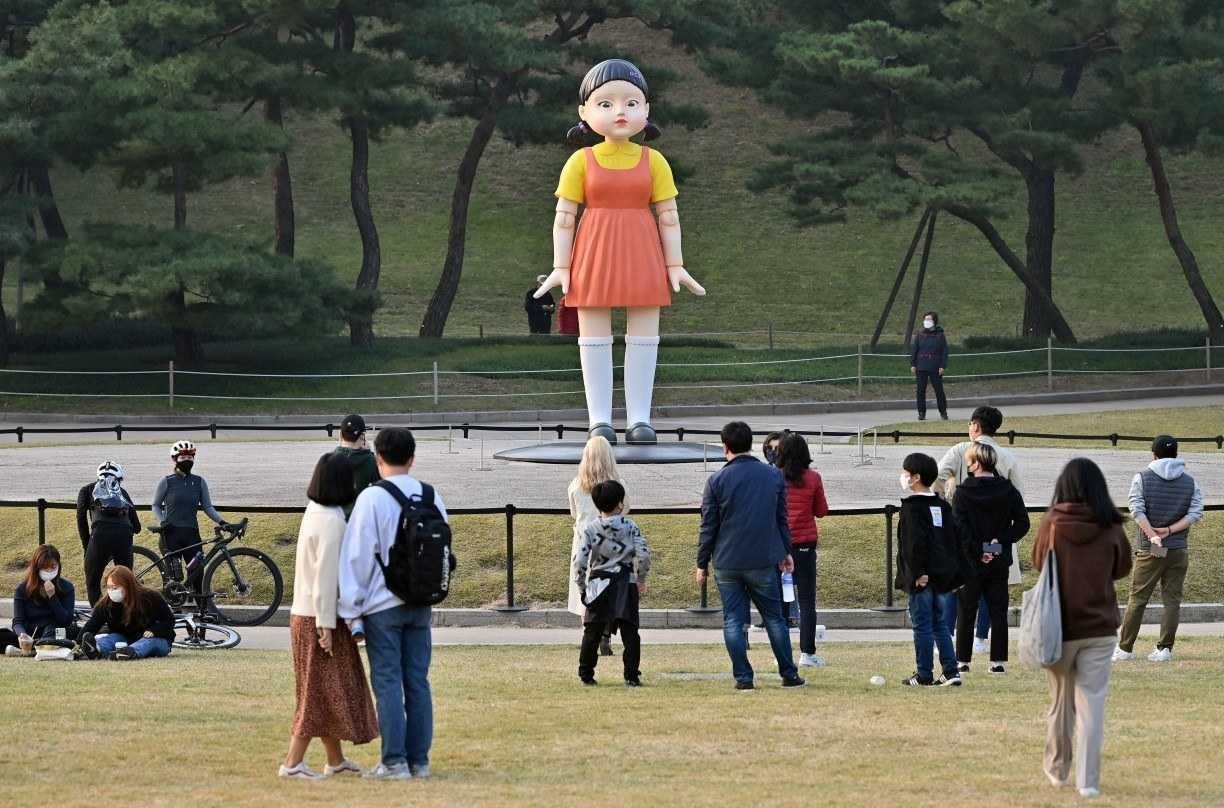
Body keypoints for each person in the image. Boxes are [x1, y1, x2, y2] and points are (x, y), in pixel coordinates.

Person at [535, 58, 706, 446]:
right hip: (593, 249)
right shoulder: (580, 161)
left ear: (646, 109)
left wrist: (675, 263)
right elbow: (564, 217)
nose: (621, 112)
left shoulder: (655, 161)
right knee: (593, 333)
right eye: (606, 103)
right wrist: (562, 266)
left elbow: (669, 216)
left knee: (645, 334)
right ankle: (599, 420)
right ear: (584, 112)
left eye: (631, 103)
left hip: (642, 251)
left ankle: (639, 418)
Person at [339, 427, 445, 781]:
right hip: (421, 600)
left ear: (378, 459)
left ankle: (394, 761)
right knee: (418, 680)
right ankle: (420, 761)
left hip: (381, 605)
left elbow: (357, 557)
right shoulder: (432, 495)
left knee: (387, 682)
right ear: (412, 458)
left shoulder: (372, 498)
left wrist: (350, 609)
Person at [1031, 458, 1133, 798]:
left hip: (1059, 627)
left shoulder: (1053, 524)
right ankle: (1087, 782)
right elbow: (1123, 567)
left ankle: (1057, 769)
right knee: (1092, 706)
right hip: (1101, 627)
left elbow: (1036, 561)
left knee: (1061, 703)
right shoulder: (1111, 525)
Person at [280, 453, 379, 780]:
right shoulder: (334, 521)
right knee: (316, 692)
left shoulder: (315, 511)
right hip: (319, 616)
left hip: (303, 613)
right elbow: (325, 578)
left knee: (323, 688)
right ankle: (292, 764)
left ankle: (335, 760)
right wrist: (325, 624)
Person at [696, 421, 805, 690]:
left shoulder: (716, 480)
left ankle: (744, 677)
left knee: (733, 620)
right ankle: (789, 674)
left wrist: (702, 563)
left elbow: (708, 525)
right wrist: (785, 551)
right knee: (774, 618)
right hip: (763, 558)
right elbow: (781, 519)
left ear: (725, 447)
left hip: (727, 560)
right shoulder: (772, 476)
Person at [937, 405, 1025, 647]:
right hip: (997, 537)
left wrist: (948, 491)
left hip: (966, 537)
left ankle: (950, 635)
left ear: (975, 426)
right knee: (994, 583)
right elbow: (1019, 499)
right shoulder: (1008, 457)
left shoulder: (961, 450)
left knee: (958, 585)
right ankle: (981, 637)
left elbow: (936, 477)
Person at [1114, 435, 1204, 663]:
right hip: (1178, 548)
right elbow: (1195, 513)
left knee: (1138, 598)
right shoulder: (1190, 482)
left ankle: (1125, 649)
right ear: (1176, 454)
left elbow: (1136, 509)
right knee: (1172, 600)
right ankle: (1165, 649)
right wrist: (1170, 530)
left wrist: (1153, 534)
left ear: (1153, 454)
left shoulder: (1142, 478)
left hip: (1151, 549)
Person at [952, 442, 1029, 674]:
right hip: (998, 556)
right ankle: (998, 662)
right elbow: (1023, 523)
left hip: (970, 559)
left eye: (969, 462)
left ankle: (962, 661)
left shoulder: (963, 493)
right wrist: (998, 542)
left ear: (975, 463)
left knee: (966, 610)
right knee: (998, 610)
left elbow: (960, 528)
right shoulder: (1008, 490)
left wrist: (978, 550)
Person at [573, 480, 651, 687]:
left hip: (598, 582)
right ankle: (631, 675)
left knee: (592, 630)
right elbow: (643, 554)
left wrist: (582, 586)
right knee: (630, 631)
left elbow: (580, 560)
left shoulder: (590, 529)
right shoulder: (630, 526)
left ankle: (586, 673)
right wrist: (641, 578)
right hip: (625, 581)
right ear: (619, 503)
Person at [896, 454, 965, 687]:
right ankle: (950, 670)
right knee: (939, 623)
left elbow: (913, 544)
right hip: (941, 576)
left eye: (906, 473)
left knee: (922, 624)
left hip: (922, 577)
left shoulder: (912, 509)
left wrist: (917, 572)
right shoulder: (942, 506)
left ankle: (924, 673)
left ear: (915, 477)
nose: (903, 477)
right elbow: (953, 541)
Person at [567, 436, 629, 657]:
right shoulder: (619, 485)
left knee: (586, 587)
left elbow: (574, 514)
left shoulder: (576, 485)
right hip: (611, 543)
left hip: (584, 541)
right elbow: (625, 510)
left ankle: (588, 634)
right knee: (610, 588)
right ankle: (606, 634)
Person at [778, 433, 829, 667]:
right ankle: (807, 653)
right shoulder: (813, 478)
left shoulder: (774, 478)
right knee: (807, 601)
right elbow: (821, 511)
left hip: (778, 545)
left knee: (780, 601)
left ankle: (781, 652)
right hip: (805, 546)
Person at [151, 440, 229, 592]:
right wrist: (163, 521)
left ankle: (200, 609)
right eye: (183, 458)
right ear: (175, 459)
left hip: (191, 534)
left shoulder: (199, 482)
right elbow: (155, 505)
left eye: (190, 457)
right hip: (170, 535)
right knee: (174, 579)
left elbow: (207, 506)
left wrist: (222, 521)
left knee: (197, 574)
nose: (187, 460)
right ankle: (173, 609)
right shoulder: (167, 481)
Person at [76, 460, 140, 605]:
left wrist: (87, 545)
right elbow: (137, 526)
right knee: (125, 581)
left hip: (99, 536)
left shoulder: (86, 490)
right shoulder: (122, 493)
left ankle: (99, 619)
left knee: (93, 581)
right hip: (124, 537)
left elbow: (80, 518)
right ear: (119, 479)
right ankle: (126, 616)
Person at [80, 566, 175, 659]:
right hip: (125, 639)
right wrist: (78, 641)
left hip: (156, 638)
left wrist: (155, 631)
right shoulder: (106, 604)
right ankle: (96, 649)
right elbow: (93, 624)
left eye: (115, 587)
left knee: (148, 642)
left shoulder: (151, 597)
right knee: (110, 638)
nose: (111, 591)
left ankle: (129, 652)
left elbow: (169, 620)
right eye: (109, 587)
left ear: (127, 585)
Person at [2, 545, 78, 657]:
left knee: (59, 633)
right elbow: (18, 621)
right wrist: (22, 635)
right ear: (36, 568)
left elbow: (65, 620)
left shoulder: (66, 587)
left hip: (53, 631)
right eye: (45, 567)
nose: (49, 571)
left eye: (53, 567)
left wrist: (53, 597)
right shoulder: (22, 589)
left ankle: (32, 650)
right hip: (30, 633)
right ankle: (34, 648)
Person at [333, 414, 380, 513]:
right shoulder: (372, 462)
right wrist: (369, 453)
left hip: (336, 520)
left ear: (340, 434)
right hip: (363, 520)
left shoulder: (328, 461)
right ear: (362, 436)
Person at [910, 310, 949, 421]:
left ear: (934, 321)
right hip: (921, 367)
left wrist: (942, 366)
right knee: (920, 391)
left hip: (935, 367)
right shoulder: (920, 335)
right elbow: (914, 350)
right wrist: (913, 363)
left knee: (939, 390)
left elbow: (944, 352)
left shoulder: (940, 335)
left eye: (929, 319)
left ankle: (943, 412)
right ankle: (921, 413)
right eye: (925, 319)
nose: (927, 321)